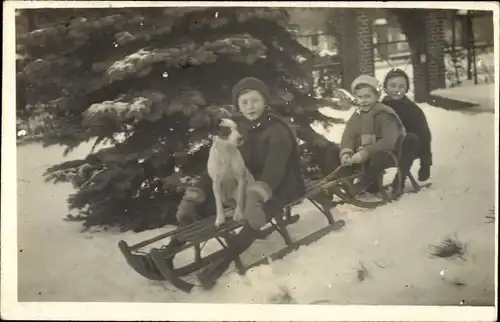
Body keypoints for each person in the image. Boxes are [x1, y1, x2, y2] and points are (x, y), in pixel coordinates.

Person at [166, 77, 310, 289]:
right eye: (244, 102)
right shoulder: (236, 128)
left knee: (254, 215)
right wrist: (196, 193)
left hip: (279, 185)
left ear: (265, 102)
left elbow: (275, 169)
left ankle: (220, 266)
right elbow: (218, 166)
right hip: (246, 182)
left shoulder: (277, 130)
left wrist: (255, 196)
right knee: (203, 206)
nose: (250, 107)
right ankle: (168, 253)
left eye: (255, 101)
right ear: (238, 105)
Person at [338, 74, 420, 198]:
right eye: (359, 97)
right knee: (336, 152)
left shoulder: (384, 114)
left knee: (378, 158)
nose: (363, 100)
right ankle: (344, 182)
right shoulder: (357, 116)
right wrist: (346, 153)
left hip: (391, 152)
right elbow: (348, 135)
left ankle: (361, 185)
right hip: (366, 152)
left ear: (376, 96)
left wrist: (364, 153)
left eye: (367, 96)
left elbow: (388, 141)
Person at [381, 68, 433, 182]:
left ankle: (399, 180)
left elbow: (424, 136)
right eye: (393, 86)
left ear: (406, 89)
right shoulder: (379, 108)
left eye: (401, 87)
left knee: (410, 138)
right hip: (383, 148)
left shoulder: (412, 110)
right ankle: (372, 181)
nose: (397, 90)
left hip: (406, 149)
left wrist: (426, 164)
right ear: (385, 88)